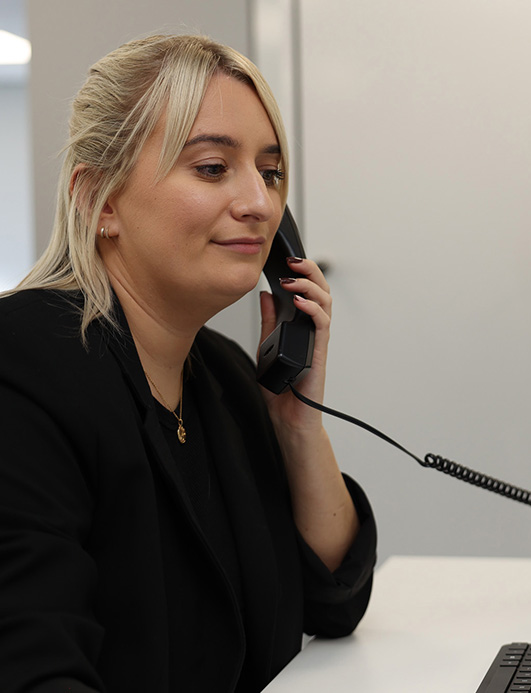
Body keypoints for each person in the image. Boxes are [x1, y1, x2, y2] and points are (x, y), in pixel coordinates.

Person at [0, 34, 376, 693]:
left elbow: (334, 602)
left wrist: (297, 423)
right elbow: (34, 665)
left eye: (269, 172)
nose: (260, 204)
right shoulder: (21, 365)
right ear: (100, 200)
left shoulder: (226, 377)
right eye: (211, 168)